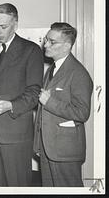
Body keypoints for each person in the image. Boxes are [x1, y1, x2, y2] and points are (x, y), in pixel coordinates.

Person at [0, 3, 44, 186]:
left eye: (3, 26)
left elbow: (34, 92)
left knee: (17, 185)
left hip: (16, 130)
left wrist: (11, 105)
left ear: (15, 24)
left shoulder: (30, 50)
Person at [33, 22, 93, 187]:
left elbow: (82, 112)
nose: (46, 44)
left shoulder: (78, 73)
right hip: (48, 148)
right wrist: (38, 143)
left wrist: (50, 102)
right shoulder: (52, 69)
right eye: (46, 39)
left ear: (66, 46)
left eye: (52, 42)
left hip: (65, 152)